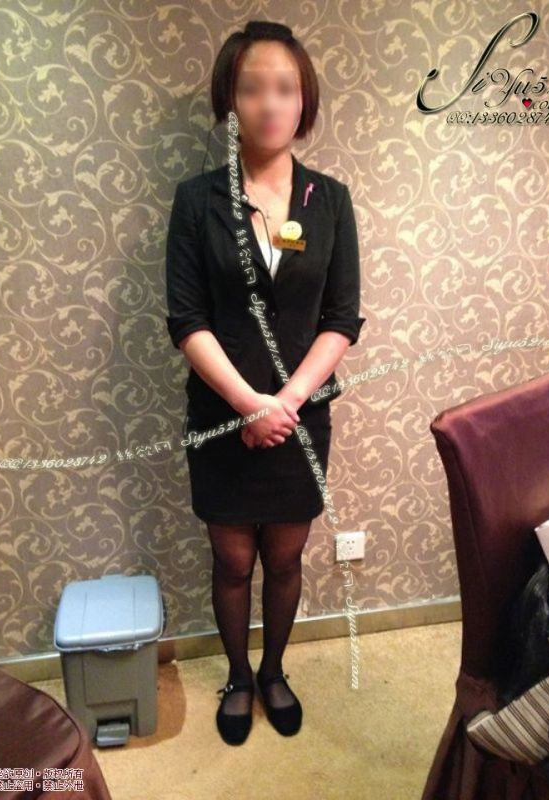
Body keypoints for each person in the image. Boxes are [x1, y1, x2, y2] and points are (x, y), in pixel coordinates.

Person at [165, 20, 366, 745]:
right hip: (220, 416)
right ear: (230, 99)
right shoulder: (198, 200)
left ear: (304, 99)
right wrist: (247, 403)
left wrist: (283, 403)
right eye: (253, 88)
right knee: (232, 560)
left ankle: (274, 670)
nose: (270, 103)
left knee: (285, 558)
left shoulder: (330, 200)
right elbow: (186, 319)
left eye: (285, 88)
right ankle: (237, 678)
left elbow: (341, 319)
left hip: (300, 417)